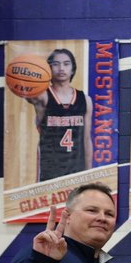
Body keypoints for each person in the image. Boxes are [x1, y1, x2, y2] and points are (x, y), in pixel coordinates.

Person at [26, 48, 91, 181]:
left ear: (73, 69)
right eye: (55, 64)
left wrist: (88, 173)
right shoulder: (42, 96)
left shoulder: (85, 100)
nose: (61, 68)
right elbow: (28, 94)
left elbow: (86, 139)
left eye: (66, 64)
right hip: (49, 169)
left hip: (76, 168)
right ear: (48, 69)